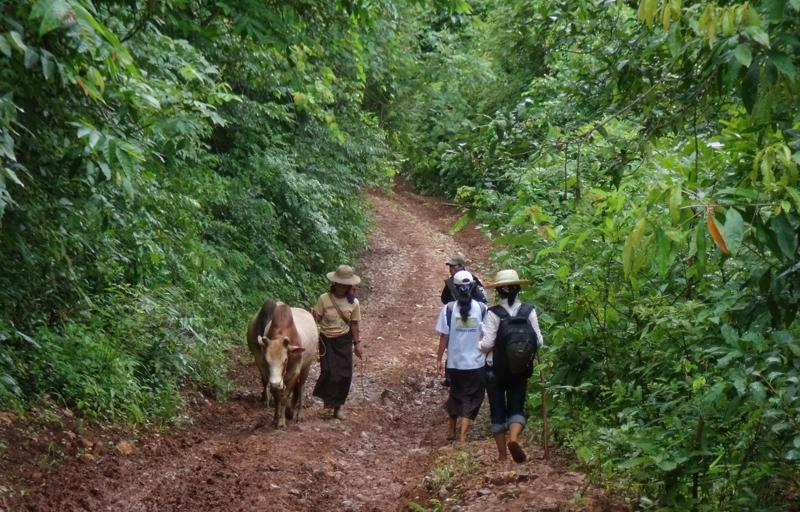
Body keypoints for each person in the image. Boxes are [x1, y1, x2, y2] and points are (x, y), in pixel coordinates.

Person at [480, 269, 544, 463]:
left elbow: (488, 344)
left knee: (497, 410)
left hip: (495, 369)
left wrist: (478, 345)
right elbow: (539, 341)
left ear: (499, 291)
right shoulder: (529, 310)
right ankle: (514, 438)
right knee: (517, 406)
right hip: (520, 369)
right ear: (517, 289)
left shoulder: (493, 313)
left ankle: (502, 457)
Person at [435, 270, 488, 442]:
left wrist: (439, 359)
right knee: (471, 398)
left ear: (456, 289)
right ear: (472, 288)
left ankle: (451, 430)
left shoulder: (448, 310)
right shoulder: (482, 309)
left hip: (455, 364)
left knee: (456, 394)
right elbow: (488, 335)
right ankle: (463, 436)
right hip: (476, 363)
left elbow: (444, 337)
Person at [312, 264, 363, 420]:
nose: (342, 286)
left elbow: (354, 324)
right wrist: (313, 316)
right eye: (340, 282)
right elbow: (317, 319)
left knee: (344, 374)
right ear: (335, 283)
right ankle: (328, 405)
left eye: (345, 283)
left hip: (344, 339)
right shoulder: (324, 299)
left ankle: (338, 406)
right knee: (328, 372)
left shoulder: (354, 303)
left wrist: (357, 344)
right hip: (326, 339)